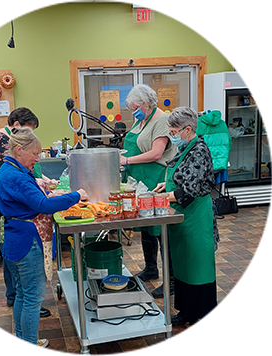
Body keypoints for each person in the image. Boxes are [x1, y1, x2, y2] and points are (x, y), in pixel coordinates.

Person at [0, 127, 88, 356]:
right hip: (27, 241)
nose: (37, 159)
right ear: (19, 150)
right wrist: (76, 195)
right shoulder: (16, 176)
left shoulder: (7, 170)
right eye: (35, 154)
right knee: (33, 299)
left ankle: (22, 343)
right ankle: (30, 351)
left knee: (22, 295)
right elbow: (43, 206)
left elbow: (28, 197)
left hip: (14, 238)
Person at [0, 107, 56, 317]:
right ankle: (18, 298)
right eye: (27, 131)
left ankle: (21, 299)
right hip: (6, 208)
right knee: (14, 260)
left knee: (14, 258)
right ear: (16, 125)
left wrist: (37, 181)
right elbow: (12, 179)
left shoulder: (13, 149)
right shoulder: (0, 141)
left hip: (13, 204)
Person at [153, 106, 219, 339]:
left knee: (199, 269)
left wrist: (163, 197)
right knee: (183, 267)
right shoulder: (186, 148)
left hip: (195, 219)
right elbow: (180, 176)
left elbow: (192, 189)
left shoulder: (199, 150)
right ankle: (189, 312)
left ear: (187, 129)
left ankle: (209, 321)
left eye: (173, 131)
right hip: (182, 220)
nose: (172, 135)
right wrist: (165, 186)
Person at [120, 84, 177, 297]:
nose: (133, 111)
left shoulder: (161, 119)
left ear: (145, 103)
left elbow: (156, 153)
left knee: (160, 228)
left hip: (155, 178)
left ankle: (170, 280)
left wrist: (126, 159)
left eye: (135, 107)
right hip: (139, 178)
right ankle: (151, 268)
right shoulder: (140, 119)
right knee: (145, 225)